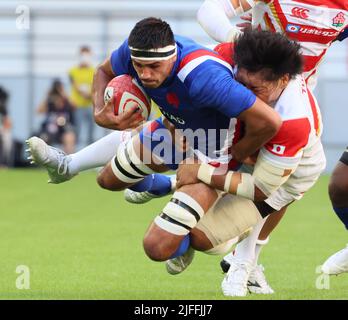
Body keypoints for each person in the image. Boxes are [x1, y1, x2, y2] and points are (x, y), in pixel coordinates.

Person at [196, 0, 348, 289]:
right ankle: (149, 173)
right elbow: (208, 11)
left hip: (295, 100)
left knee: (284, 182)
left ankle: (246, 262)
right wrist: (241, 41)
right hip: (246, 91)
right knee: (216, 160)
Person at [167, 30, 325, 297]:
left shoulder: (293, 119)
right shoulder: (229, 55)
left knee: (205, 238)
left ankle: (242, 264)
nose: (243, 93)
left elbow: (261, 187)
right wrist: (175, 116)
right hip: (250, 147)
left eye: (255, 89)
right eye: (240, 83)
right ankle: (161, 185)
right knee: (194, 177)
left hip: (292, 173)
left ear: (283, 80)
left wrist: (203, 172)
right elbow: (186, 71)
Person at [36, 79, 76, 154]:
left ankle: (69, 161)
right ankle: (44, 161)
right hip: (49, 129)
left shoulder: (66, 100)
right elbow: (38, 111)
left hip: (63, 129)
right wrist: (46, 96)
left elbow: (74, 107)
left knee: (69, 137)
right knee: (43, 138)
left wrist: (64, 94)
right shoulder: (49, 101)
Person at [69, 45, 95, 145]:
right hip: (77, 106)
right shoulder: (73, 71)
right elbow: (75, 86)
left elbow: (95, 86)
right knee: (77, 131)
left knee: (91, 133)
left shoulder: (94, 70)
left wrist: (89, 94)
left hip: (90, 105)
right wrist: (86, 93)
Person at [0, 86, 13, 167]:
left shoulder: (3, 108)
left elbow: (8, 123)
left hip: (2, 129)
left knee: (7, 140)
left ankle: (4, 163)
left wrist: (3, 130)